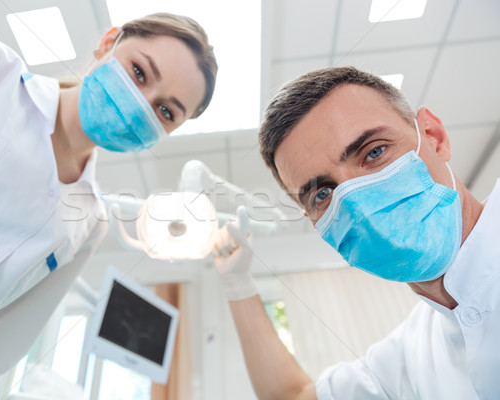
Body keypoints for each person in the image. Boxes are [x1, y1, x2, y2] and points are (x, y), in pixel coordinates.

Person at [0, 12, 217, 399]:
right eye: (139, 72)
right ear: (108, 42)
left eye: (166, 112)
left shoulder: (89, 224)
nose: (142, 103)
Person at [213, 66, 498, 399]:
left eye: (374, 152)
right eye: (322, 193)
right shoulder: (411, 355)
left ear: (434, 137)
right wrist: (237, 285)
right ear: (315, 221)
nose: (357, 203)